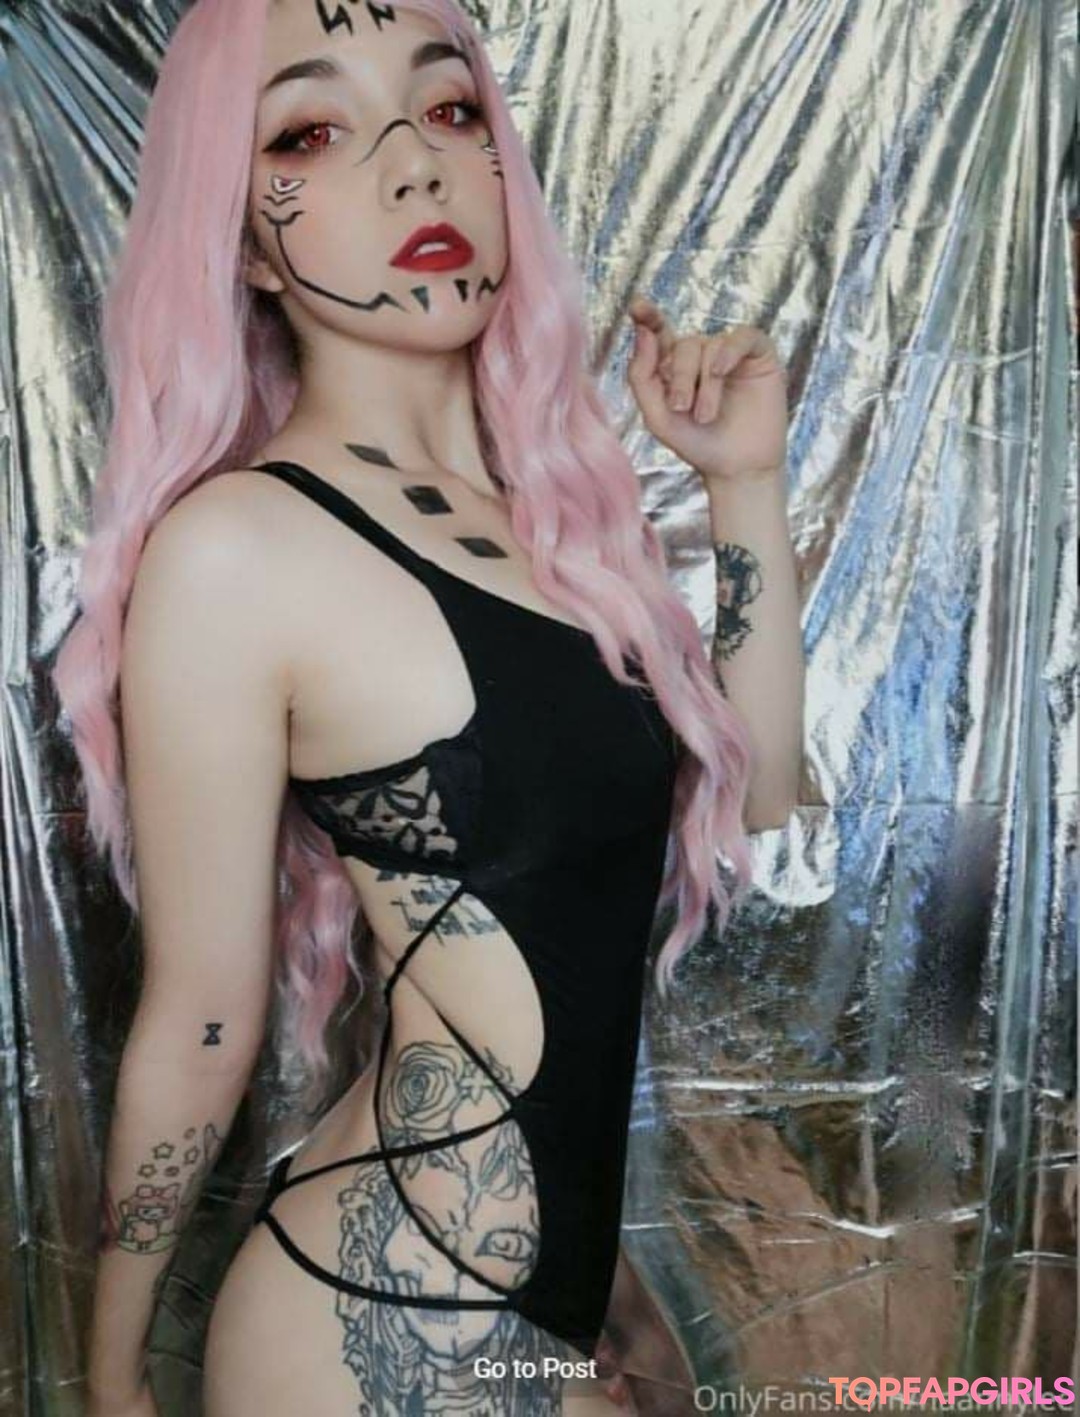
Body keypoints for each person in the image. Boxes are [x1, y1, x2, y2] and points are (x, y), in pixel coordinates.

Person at [55, 0, 801, 1412]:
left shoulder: (558, 527)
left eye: (451, 109)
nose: (414, 165)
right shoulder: (236, 551)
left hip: (545, 1312)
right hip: (369, 1318)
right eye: (311, 132)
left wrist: (743, 484)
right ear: (240, 236)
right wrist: (113, 1381)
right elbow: (203, 1020)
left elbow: (753, 795)